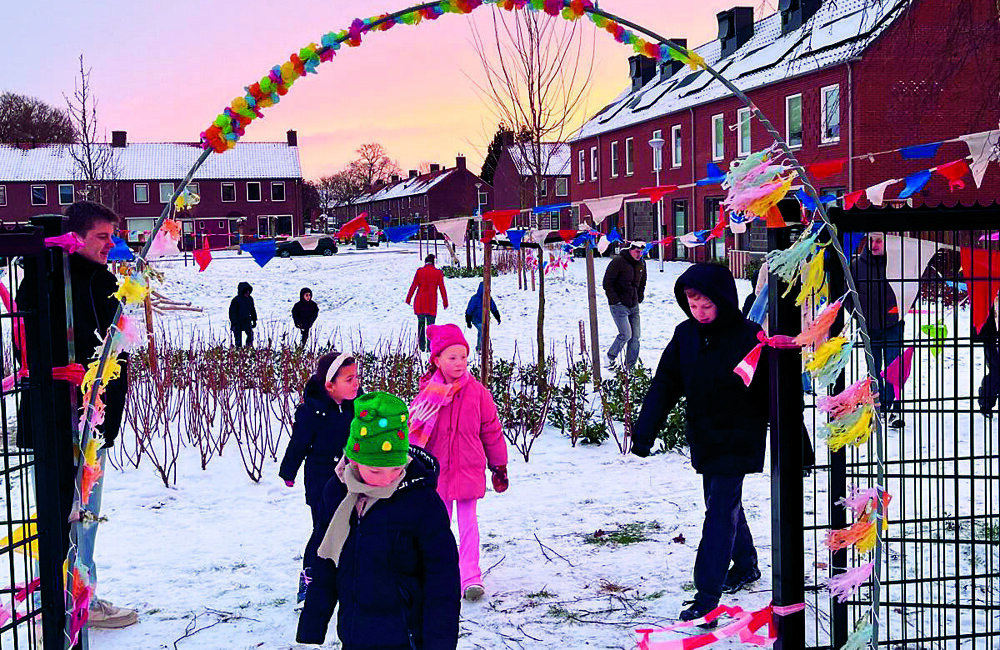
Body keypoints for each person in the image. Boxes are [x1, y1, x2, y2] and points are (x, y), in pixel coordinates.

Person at [16, 201, 138, 629]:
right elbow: (28, 347)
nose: (110, 245)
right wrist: (55, 372)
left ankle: (69, 595)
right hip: (59, 419)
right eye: (102, 236)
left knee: (83, 515)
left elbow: (111, 352)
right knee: (69, 515)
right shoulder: (49, 282)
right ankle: (71, 601)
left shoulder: (103, 281)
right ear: (76, 237)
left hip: (95, 423)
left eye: (112, 236)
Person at [631, 263, 768, 624]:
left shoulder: (749, 336)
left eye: (707, 306)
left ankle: (708, 596)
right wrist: (645, 432)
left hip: (739, 436)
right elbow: (665, 383)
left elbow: (774, 391)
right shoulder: (686, 335)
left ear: (724, 300)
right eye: (693, 306)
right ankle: (746, 564)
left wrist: (799, 444)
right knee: (722, 502)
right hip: (706, 437)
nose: (700, 313)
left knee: (719, 510)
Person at [296, 391, 461, 648]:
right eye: (375, 470)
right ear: (355, 460)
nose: (387, 479)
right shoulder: (338, 492)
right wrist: (313, 621)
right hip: (354, 631)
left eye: (396, 468)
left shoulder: (421, 501)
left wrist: (439, 644)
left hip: (405, 635)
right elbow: (325, 559)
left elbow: (442, 577)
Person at [409, 323, 508, 602]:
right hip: (438, 472)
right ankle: (438, 572)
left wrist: (499, 466)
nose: (459, 363)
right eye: (452, 357)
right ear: (437, 360)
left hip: (468, 468)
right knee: (438, 525)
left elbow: (491, 430)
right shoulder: (427, 395)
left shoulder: (478, 393)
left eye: (463, 357)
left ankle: (470, 576)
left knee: (468, 525)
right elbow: (414, 433)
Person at [279, 351, 359, 602]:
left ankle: (347, 578)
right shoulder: (312, 411)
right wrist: (288, 471)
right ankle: (310, 578)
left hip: (352, 478)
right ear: (329, 385)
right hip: (321, 481)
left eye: (356, 377)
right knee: (323, 529)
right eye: (349, 379)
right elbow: (299, 443)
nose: (356, 383)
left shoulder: (358, 406)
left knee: (353, 528)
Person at [850, 232, 904, 428]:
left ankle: (893, 408)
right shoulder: (856, 266)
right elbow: (848, 294)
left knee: (893, 368)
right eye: (871, 240)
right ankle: (876, 406)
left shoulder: (897, 264)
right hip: (868, 327)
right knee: (873, 369)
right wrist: (859, 317)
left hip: (893, 324)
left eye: (879, 240)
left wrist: (900, 310)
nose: (874, 244)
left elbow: (910, 289)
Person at [602, 240, 647, 369]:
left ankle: (630, 367)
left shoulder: (642, 263)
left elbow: (642, 282)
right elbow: (607, 283)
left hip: (634, 304)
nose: (639, 255)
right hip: (619, 305)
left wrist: (640, 295)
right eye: (637, 252)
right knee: (626, 334)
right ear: (630, 250)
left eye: (641, 252)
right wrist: (615, 300)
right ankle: (610, 357)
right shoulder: (618, 262)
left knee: (635, 337)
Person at [406, 254, 448, 352]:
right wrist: (445, 302)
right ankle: (430, 347)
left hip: (420, 303)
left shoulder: (419, 271)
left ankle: (421, 346)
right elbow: (442, 288)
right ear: (433, 262)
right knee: (431, 326)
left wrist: (408, 298)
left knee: (421, 324)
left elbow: (413, 285)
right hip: (431, 303)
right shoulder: (438, 273)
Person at [464, 281, 501, 354]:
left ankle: (479, 348)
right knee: (483, 331)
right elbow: (469, 310)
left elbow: (493, 308)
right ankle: (482, 348)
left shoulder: (489, 298)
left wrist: (497, 317)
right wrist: (468, 321)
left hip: (485, 319)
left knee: (481, 333)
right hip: (476, 320)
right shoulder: (475, 299)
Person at [229, 281, 257, 348]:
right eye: (246, 292)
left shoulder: (250, 299)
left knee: (250, 335)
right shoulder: (236, 300)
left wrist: (254, 320)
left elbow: (252, 310)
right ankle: (238, 351)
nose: (247, 293)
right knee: (238, 340)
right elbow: (231, 312)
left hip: (247, 321)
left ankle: (248, 348)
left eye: (248, 292)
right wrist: (234, 323)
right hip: (237, 322)